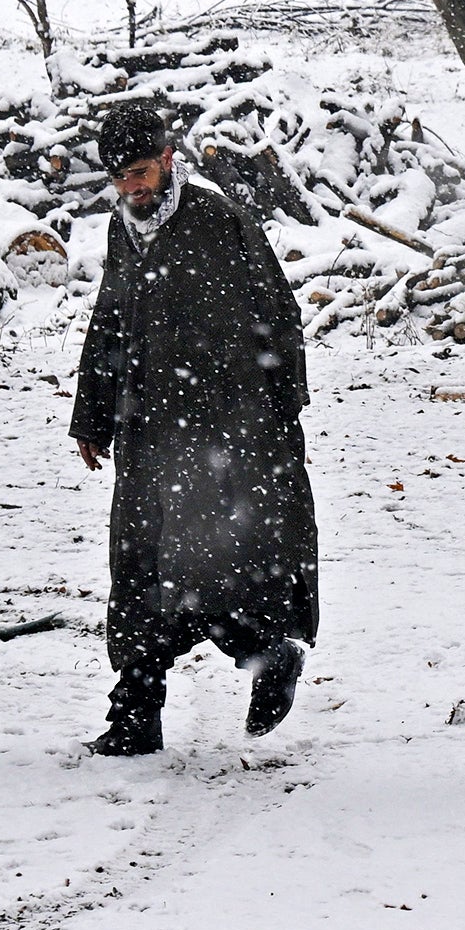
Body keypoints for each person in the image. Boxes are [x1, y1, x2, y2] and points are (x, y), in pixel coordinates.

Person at [71, 97, 319, 757]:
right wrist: (92, 414)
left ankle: (269, 656)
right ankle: (134, 718)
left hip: (220, 432)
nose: (133, 188)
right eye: (121, 178)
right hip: (146, 431)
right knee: (137, 573)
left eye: (143, 172)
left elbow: (278, 314)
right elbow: (111, 322)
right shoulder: (122, 230)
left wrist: (276, 415)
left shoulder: (220, 221)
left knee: (202, 570)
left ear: (169, 159)